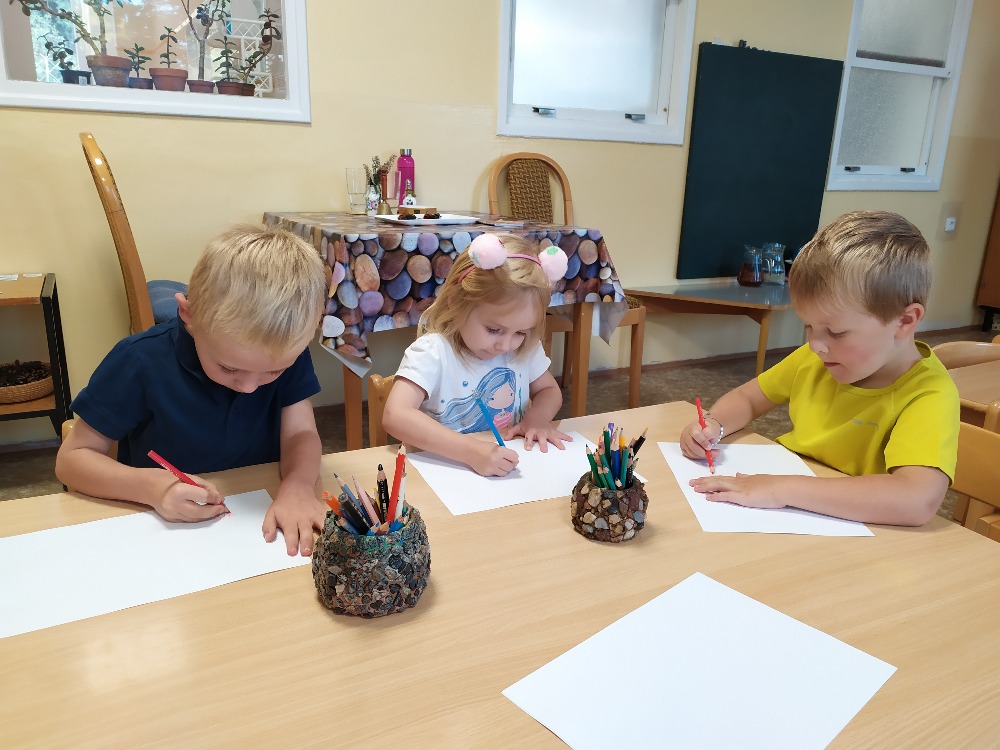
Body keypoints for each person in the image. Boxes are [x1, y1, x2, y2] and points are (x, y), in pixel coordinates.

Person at [55, 224, 328, 556]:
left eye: (274, 371)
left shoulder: (285, 351)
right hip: (161, 538)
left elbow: (300, 433)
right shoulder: (138, 361)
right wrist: (154, 488)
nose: (249, 386)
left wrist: (299, 486)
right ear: (188, 315)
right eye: (229, 368)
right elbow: (72, 460)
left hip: (254, 529)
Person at [680, 210, 959, 526]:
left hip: (862, 534)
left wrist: (782, 489)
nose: (815, 345)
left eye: (836, 332)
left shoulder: (928, 394)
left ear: (904, 321)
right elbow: (748, 398)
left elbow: (916, 500)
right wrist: (714, 425)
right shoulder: (817, 358)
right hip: (789, 510)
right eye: (808, 326)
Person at [382, 233, 573, 476]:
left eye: (520, 332)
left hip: (509, 473)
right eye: (493, 330)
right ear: (456, 302)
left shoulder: (524, 348)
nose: (505, 345)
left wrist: (536, 419)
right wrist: (471, 451)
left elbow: (548, 390)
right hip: (445, 476)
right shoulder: (433, 352)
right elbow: (395, 415)